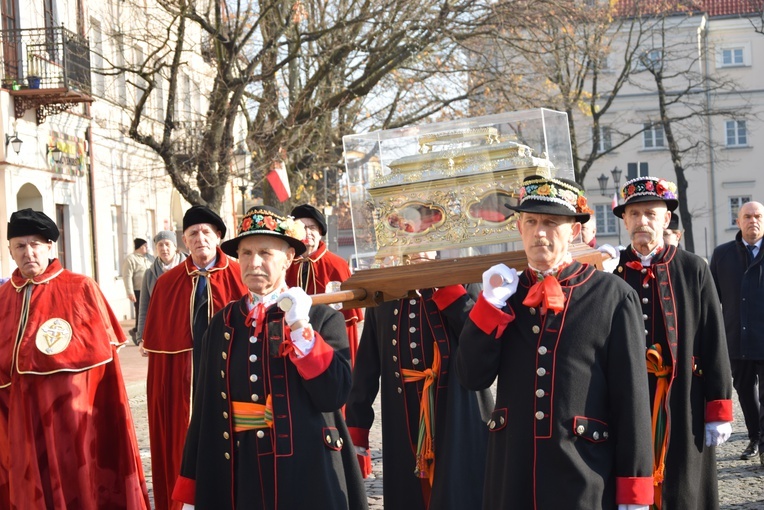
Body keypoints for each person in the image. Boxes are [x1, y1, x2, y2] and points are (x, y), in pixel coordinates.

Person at [456, 176, 654, 509]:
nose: (540, 232)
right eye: (531, 222)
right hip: (512, 473)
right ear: (519, 227)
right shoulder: (505, 294)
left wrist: (634, 489)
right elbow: (472, 376)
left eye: (551, 222)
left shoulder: (613, 296)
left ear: (574, 231)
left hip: (583, 471)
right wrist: (488, 308)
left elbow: (631, 398)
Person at [173, 206, 367, 509]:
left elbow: (333, 395)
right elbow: (205, 407)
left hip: (305, 467)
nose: (254, 262)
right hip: (238, 465)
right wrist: (192, 486)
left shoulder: (320, 318)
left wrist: (301, 327)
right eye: (246, 253)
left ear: (289, 257)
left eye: (266, 252)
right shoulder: (223, 323)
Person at [0, 209, 150, 509]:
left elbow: (106, 376)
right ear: (10, 251)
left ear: (50, 247)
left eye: (35, 244)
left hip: (74, 425)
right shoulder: (3, 297)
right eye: (20, 246)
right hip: (22, 425)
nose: (28, 252)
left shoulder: (80, 288)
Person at [613, 176, 732, 509]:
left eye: (651, 214)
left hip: (684, 399)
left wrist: (718, 406)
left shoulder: (694, 268)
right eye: (634, 214)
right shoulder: (612, 272)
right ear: (624, 220)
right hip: (628, 397)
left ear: (666, 219)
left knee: (684, 486)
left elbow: (714, 339)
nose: (642, 222)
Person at [346, 250, 492, 510]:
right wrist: (358, 425)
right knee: (410, 494)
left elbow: (480, 339)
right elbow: (368, 359)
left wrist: (446, 288)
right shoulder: (386, 286)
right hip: (401, 413)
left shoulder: (462, 276)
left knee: (461, 491)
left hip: (456, 406)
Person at [142, 205, 248, 510]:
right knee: (181, 444)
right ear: (184, 242)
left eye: (206, 232)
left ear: (217, 237)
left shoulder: (241, 275)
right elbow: (160, 352)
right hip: (184, 380)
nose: (200, 238)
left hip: (230, 375)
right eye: (193, 234)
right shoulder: (167, 282)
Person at [710, 201, 764, 463]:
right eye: (747, 216)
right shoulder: (722, 255)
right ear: (738, 221)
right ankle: (755, 436)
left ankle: (763, 444)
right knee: (744, 391)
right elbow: (711, 300)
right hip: (735, 338)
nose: (753, 220)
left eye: (758, 216)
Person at [286, 204, 363, 364]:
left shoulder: (337, 265)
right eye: (302, 227)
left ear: (320, 232)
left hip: (330, 341)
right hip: (291, 341)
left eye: (312, 227)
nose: (307, 232)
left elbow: (348, 318)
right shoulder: (285, 264)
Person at [135, 230, 187, 355]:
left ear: (175, 247)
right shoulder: (149, 274)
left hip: (184, 333)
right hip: (160, 334)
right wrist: (141, 338)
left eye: (167, 244)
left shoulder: (188, 269)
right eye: (160, 245)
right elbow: (144, 308)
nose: (164, 248)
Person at [122, 237, 155, 344]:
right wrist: (130, 292)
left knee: (151, 312)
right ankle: (138, 333)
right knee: (141, 313)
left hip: (150, 289)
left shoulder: (150, 257)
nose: (147, 248)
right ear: (139, 247)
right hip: (138, 290)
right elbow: (127, 276)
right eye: (144, 246)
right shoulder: (131, 259)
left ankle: (137, 331)